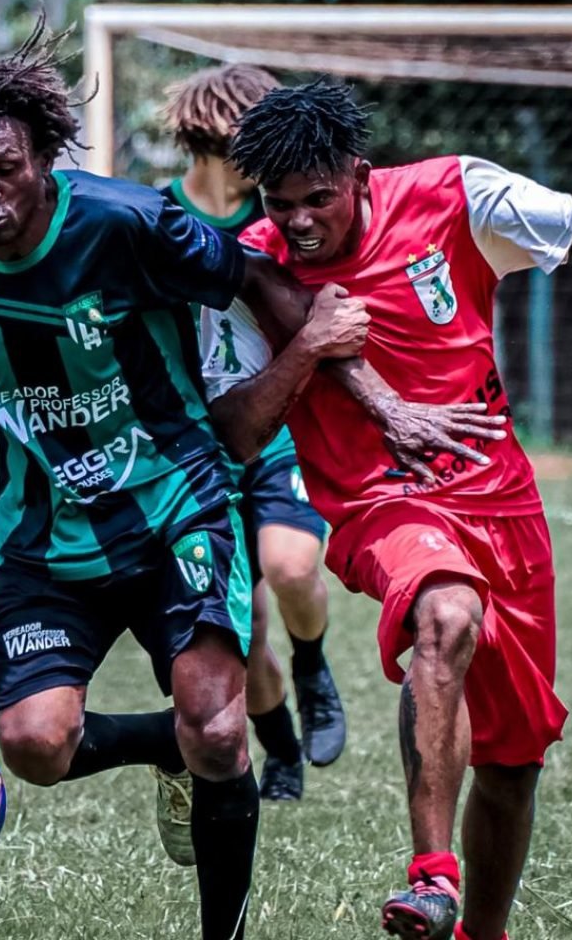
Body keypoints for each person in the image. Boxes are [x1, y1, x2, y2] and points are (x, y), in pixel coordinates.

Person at [0, 26, 493, 939]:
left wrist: (377, 400)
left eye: (4, 169)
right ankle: (166, 750)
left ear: (44, 156)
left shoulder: (128, 221)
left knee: (220, 731)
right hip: (44, 533)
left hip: (176, 505)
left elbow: (258, 274)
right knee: (33, 747)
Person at [198, 80, 572, 940]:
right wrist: (309, 345)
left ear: (359, 175)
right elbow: (236, 432)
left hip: (502, 502)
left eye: (319, 200)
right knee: (445, 614)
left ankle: (479, 932)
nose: (302, 223)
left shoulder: (452, 193)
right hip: (376, 503)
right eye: (283, 207)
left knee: (513, 762)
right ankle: (432, 875)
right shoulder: (252, 266)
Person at [162, 63, 345, 801]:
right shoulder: (158, 219)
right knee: (246, 629)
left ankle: (317, 668)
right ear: (215, 140)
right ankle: (281, 751)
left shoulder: (281, 222)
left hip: (277, 432)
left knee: (294, 566)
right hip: (199, 446)